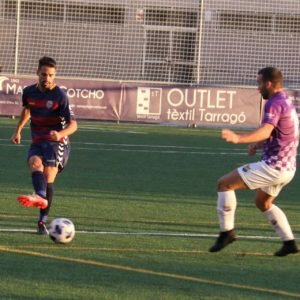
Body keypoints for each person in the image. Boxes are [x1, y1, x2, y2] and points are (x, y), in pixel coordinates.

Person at [209, 67, 299, 256]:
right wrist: (258, 145)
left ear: (268, 84)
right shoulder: (287, 101)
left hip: (274, 166)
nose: (258, 88)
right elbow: (280, 132)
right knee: (263, 203)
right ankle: (289, 242)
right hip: (288, 168)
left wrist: (239, 138)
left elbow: (267, 130)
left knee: (224, 184)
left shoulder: (274, 103)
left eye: (259, 83)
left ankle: (227, 232)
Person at [10, 56, 77, 234]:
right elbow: (27, 110)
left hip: (57, 141)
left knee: (48, 175)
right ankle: (40, 197)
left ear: (54, 76)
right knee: (34, 163)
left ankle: (42, 220)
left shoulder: (60, 96)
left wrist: (60, 134)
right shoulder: (29, 92)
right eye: (44, 74)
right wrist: (18, 130)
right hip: (38, 138)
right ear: (37, 73)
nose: (47, 78)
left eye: (50, 75)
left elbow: (74, 125)